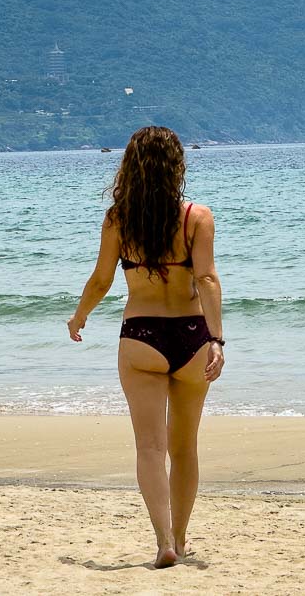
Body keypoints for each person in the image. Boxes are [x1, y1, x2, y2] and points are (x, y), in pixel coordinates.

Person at [67, 126, 225, 568]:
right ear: (177, 166)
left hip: (141, 337)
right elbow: (207, 278)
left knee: (149, 448)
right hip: (193, 336)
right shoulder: (197, 216)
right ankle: (182, 534)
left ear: (130, 167)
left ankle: (163, 542)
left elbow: (101, 279)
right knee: (185, 447)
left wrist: (80, 317)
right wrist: (216, 339)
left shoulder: (119, 218)